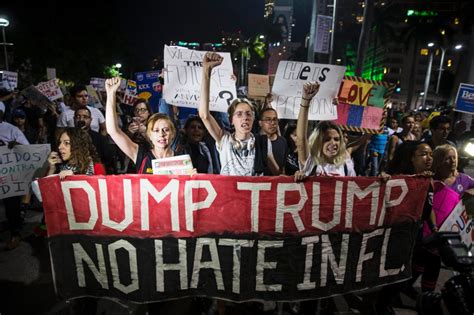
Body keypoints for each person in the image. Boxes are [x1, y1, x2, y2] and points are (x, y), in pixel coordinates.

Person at [198, 52, 269, 176]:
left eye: (248, 114)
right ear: (231, 120)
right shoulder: (224, 140)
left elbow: (276, 172)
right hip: (229, 195)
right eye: (239, 114)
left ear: (253, 118)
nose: (245, 118)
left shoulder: (262, 142)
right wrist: (206, 70)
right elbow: (204, 114)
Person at [105, 77, 178, 174]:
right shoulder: (140, 154)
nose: (161, 134)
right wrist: (111, 94)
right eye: (156, 130)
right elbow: (113, 131)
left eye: (166, 130)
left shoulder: (180, 158)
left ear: (173, 134)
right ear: (150, 135)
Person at [295, 82, 356, 179]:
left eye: (336, 139)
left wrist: (383, 181)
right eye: (327, 139)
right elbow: (301, 139)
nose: (333, 143)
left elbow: (355, 189)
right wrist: (306, 100)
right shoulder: (311, 163)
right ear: (318, 142)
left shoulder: (346, 165)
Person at [0, 101, 30, 250]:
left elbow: (26, 148)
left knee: (11, 205)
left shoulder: (12, 130)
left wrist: (13, 145)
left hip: (8, 173)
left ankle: (15, 234)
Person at [258, 107, 287, 175]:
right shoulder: (254, 141)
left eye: (275, 119)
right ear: (260, 123)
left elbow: (283, 168)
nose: (273, 123)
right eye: (268, 120)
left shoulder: (283, 141)